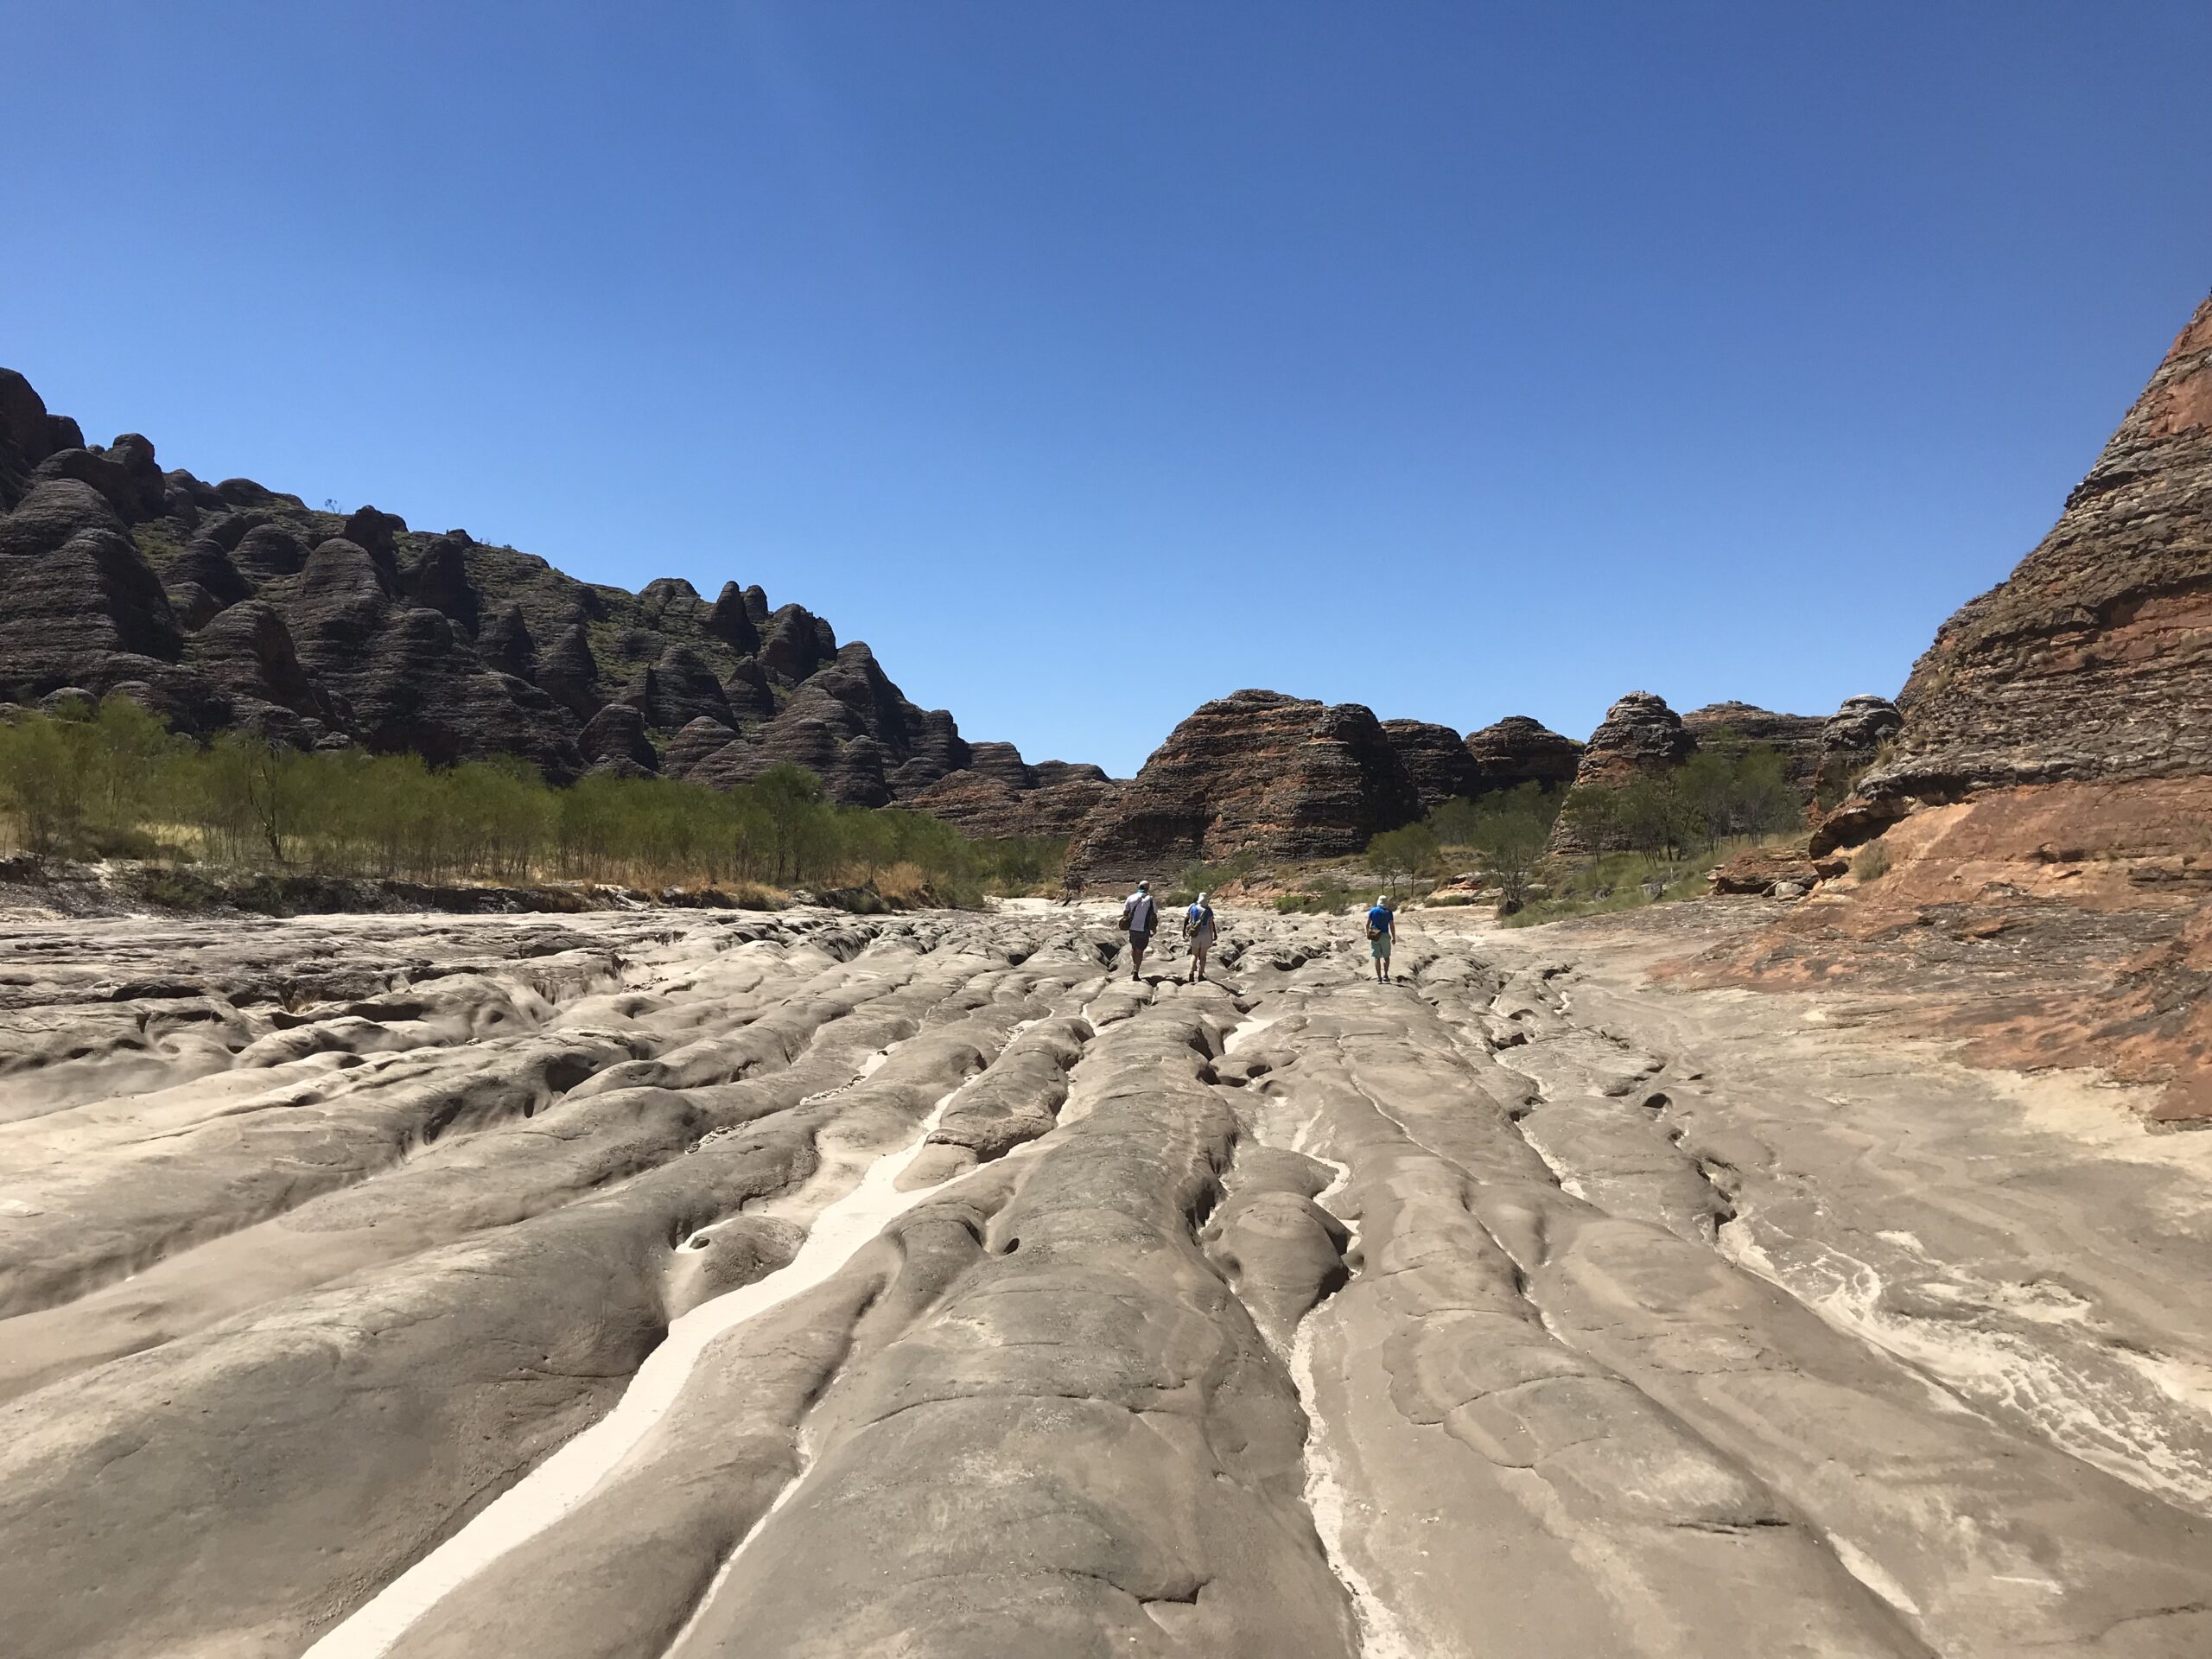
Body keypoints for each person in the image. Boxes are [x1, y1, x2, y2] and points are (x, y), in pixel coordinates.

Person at [1122, 880, 1159, 980]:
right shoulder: (1150, 899)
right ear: (1148, 888)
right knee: (1140, 951)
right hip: (1144, 929)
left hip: (1132, 928)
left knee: (1134, 948)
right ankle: (1136, 971)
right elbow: (1154, 914)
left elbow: (1125, 912)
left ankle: (1134, 966)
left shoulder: (1131, 897)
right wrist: (1154, 928)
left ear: (1139, 887)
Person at [1183, 891, 1217, 983]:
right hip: (1205, 934)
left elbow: (1189, 920)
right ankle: (1201, 975)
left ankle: (1191, 973)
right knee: (1203, 956)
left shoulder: (1193, 908)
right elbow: (1211, 925)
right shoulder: (1209, 910)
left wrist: (1185, 932)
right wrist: (1212, 936)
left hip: (1195, 934)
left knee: (1194, 954)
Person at [1365, 893, 1395, 982]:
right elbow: (1392, 926)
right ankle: (1386, 975)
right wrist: (1394, 937)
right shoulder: (1389, 912)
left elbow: (1367, 924)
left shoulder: (1373, 911)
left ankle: (1379, 978)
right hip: (1385, 935)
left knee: (1377, 957)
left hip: (1375, 935)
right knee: (1386, 956)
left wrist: (1368, 934)